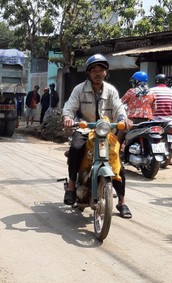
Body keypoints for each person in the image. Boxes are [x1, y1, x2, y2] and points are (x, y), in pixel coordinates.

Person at [62, 54, 132, 218]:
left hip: (106, 131)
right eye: (94, 70)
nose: (97, 73)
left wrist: (123, 119)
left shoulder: (111, 91)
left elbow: (119, 108)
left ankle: (121, 202)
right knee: (75, 148)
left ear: (106, 73)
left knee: (118, 165)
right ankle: (72, 187)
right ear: (88, 73)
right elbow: (70, 107)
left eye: (101, 70)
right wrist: (67, 118)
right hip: (85, 129)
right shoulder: (79, 89)